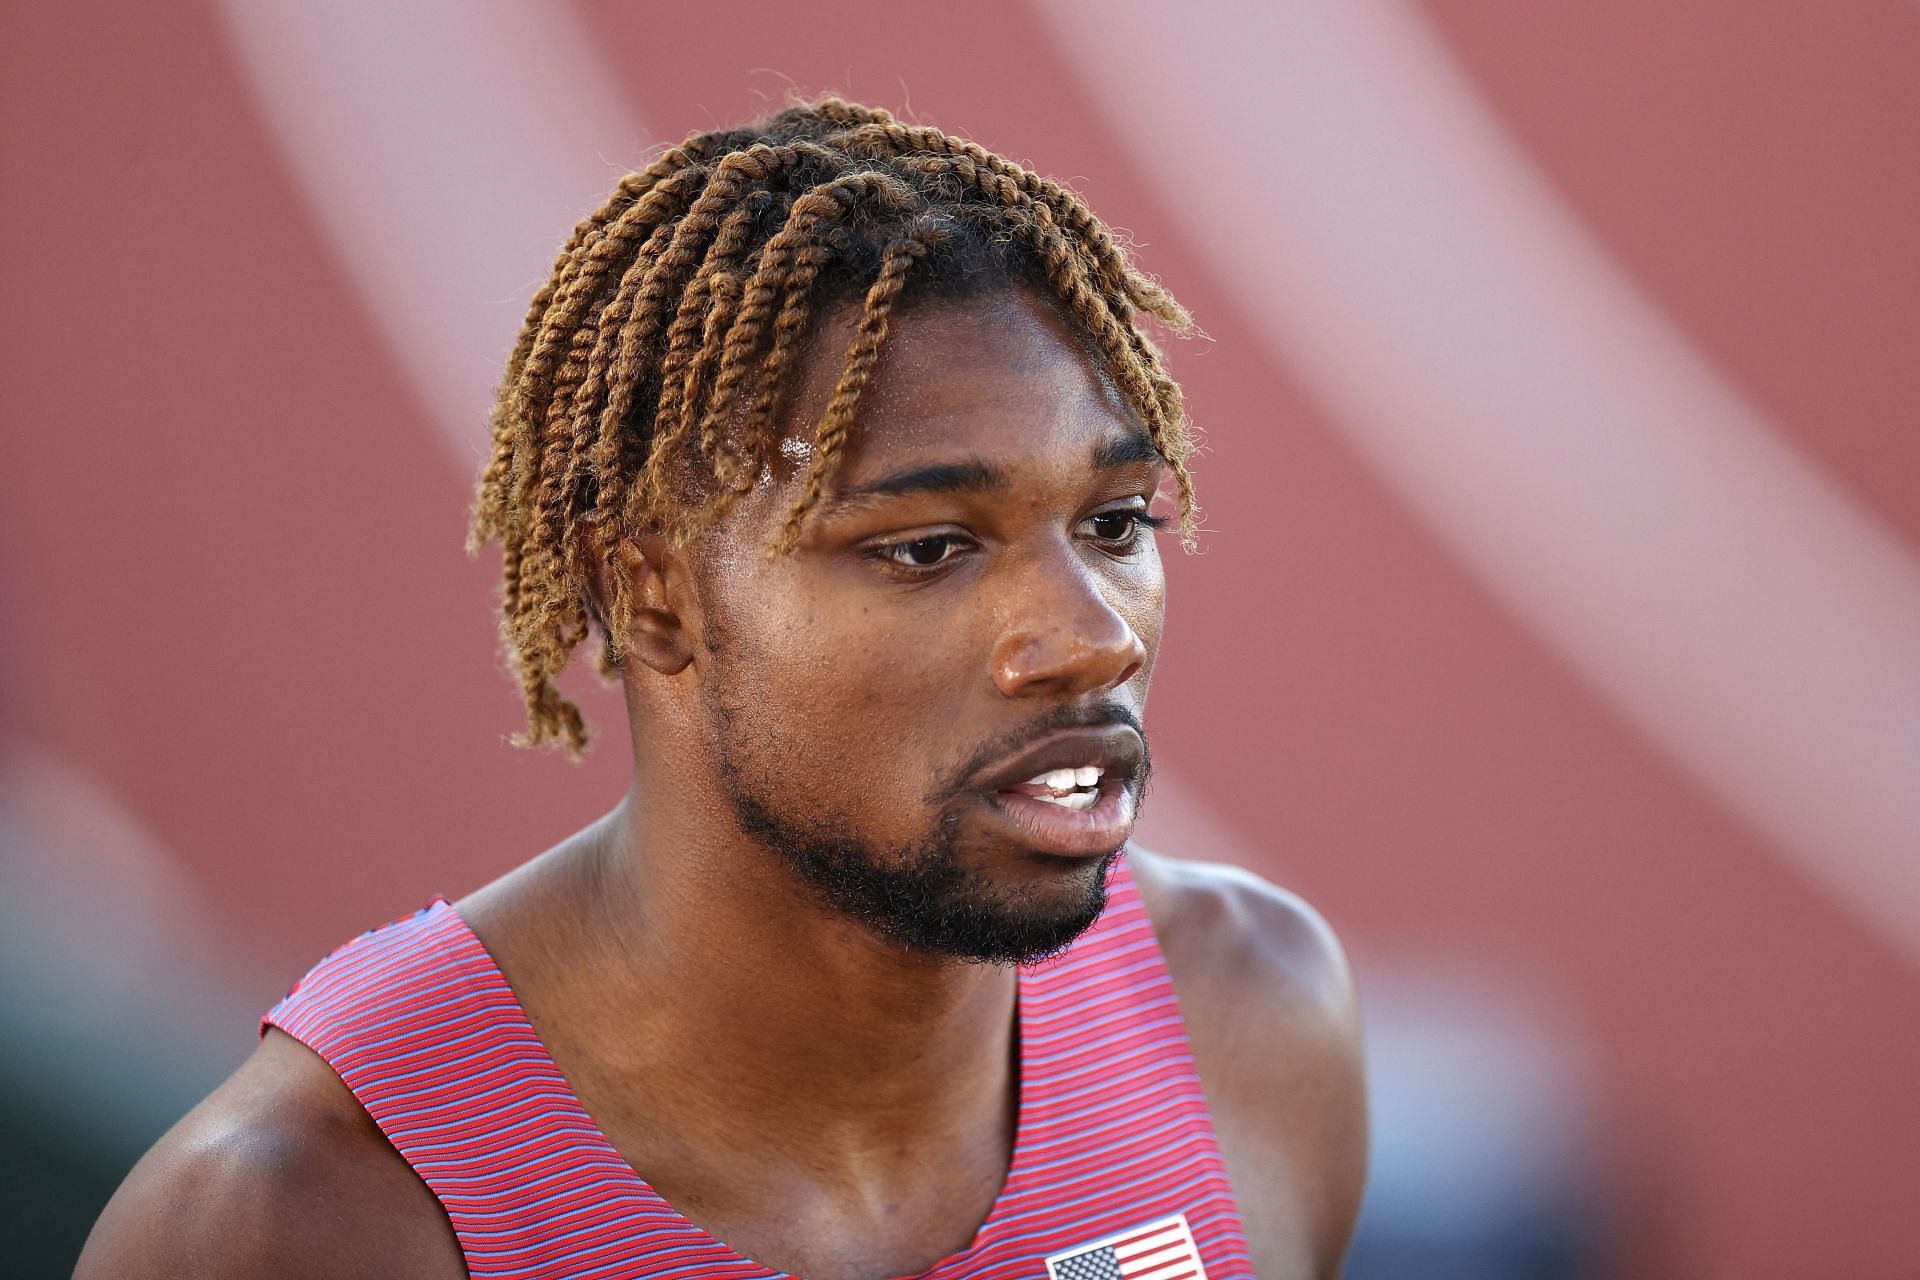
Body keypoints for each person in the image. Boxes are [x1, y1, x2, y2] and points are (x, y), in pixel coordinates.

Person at [76, 96, 1367, 1280]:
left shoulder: (1246, 1018)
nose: (1090, 639)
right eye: (927, 547)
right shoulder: (301, 1217)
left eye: (1117, 521)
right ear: (656, 598)